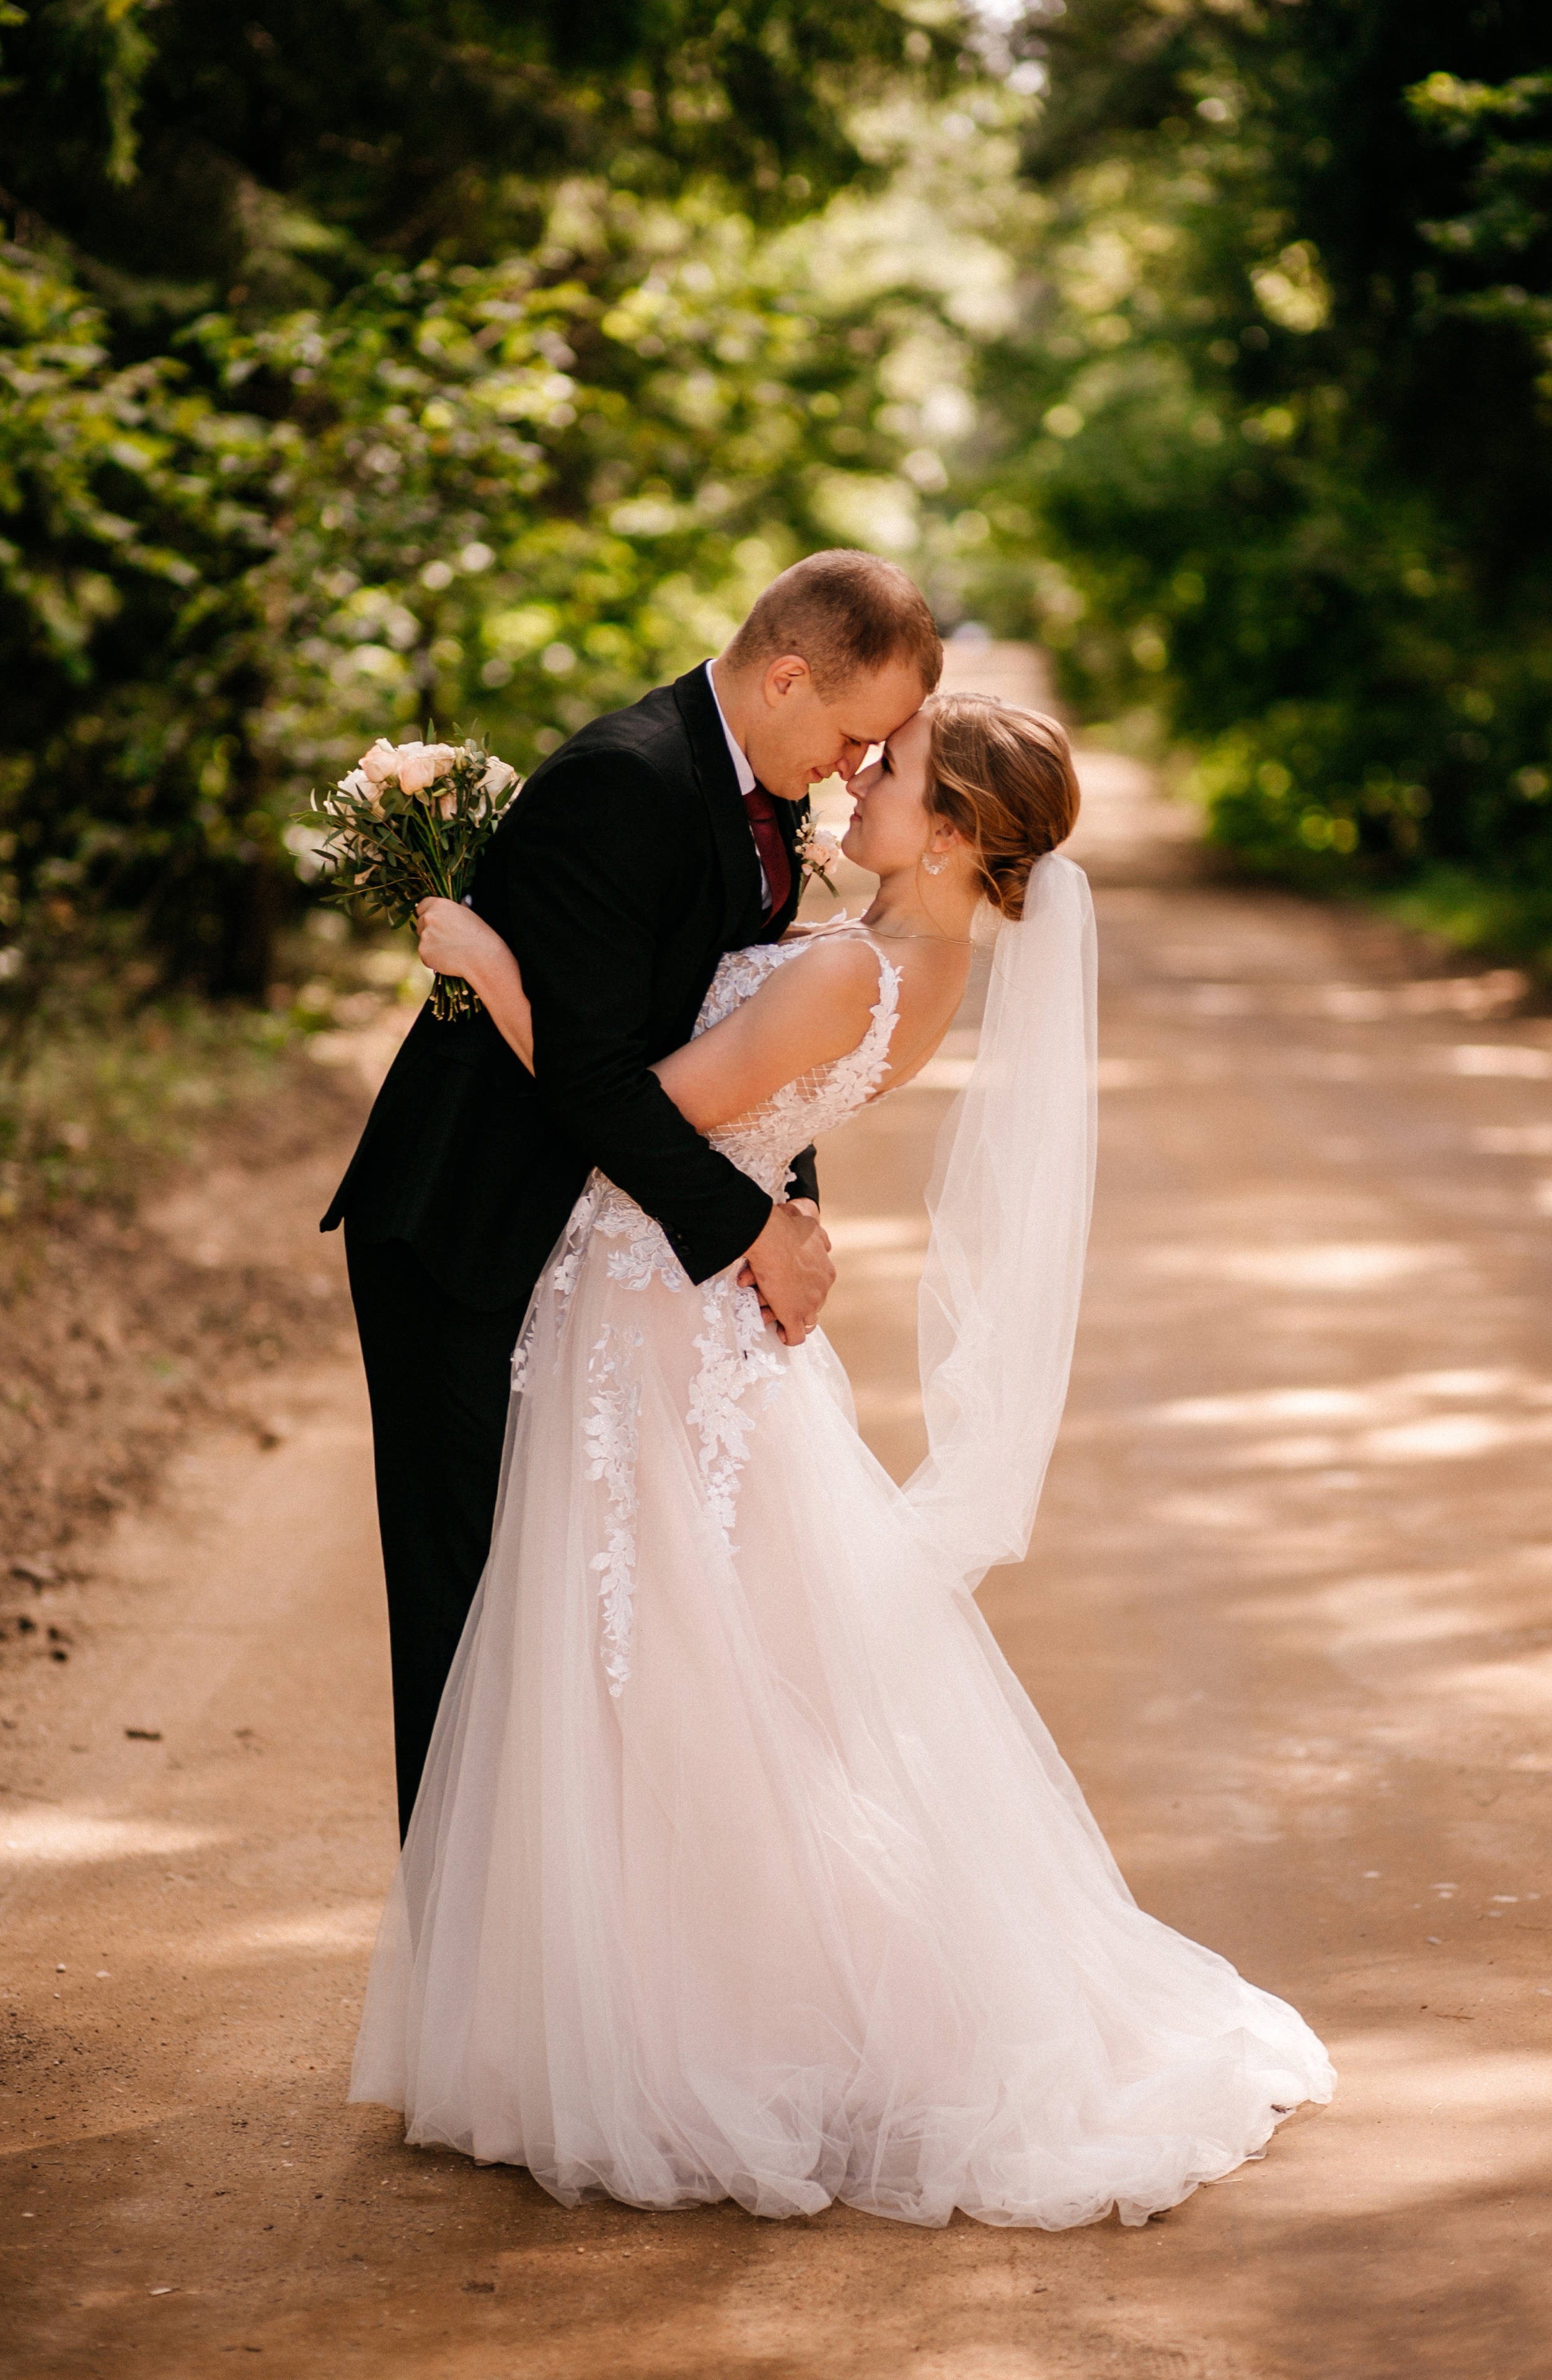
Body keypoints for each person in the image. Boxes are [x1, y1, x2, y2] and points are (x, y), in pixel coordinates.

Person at [349, 690, 1334, 2231]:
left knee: (649, 1667)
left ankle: (682, 2028)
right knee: (698, 1667)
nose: (861, 777)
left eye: (898, 770)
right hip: (701, 1318)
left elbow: (635, 1119)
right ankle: (658, 1997)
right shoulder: (912, 965)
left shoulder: (846, 969)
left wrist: (490, 964)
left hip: (654, 1318)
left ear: (950, 832)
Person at [321, 550, 943, 1840]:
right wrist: (751, 1232)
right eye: (852, 734)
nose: (852, 768)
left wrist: (786, 1194)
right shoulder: (626, 780)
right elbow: (594, 1079)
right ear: (786, 678)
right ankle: (464, 1938)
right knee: (467, 1612)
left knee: (575, 1613)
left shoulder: (761, 794)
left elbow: (749, 1044)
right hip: (469, 1228)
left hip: (602, 1232)